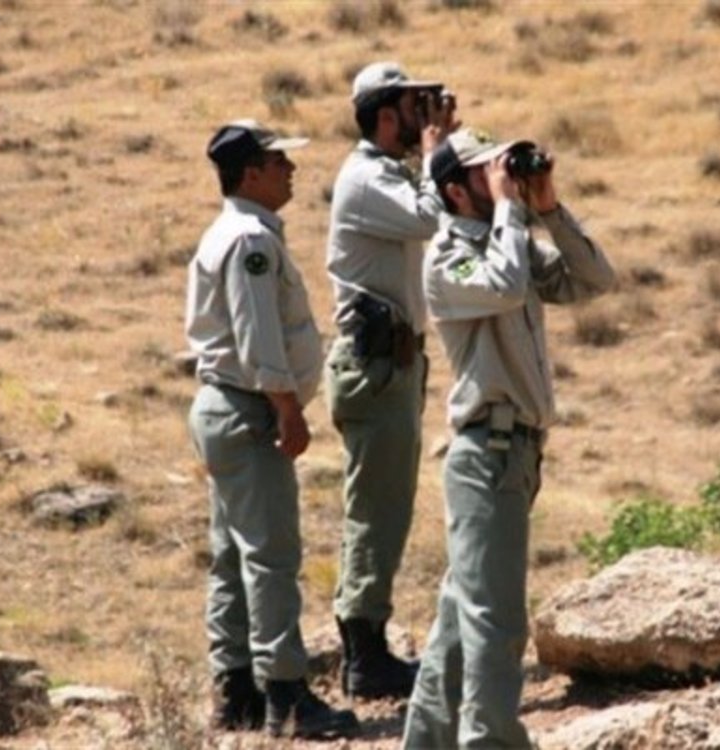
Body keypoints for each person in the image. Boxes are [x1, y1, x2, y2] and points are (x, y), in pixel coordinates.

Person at [402, 129, 616, 748]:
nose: (500, 177)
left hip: (515, 455)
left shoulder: (511, 240)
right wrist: (508, 211)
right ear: (455, 190)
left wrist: (547, 208)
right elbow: (502, 286)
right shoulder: (448, 258)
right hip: (486, 455)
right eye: (483, 171)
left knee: (458, 620)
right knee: (496, 625)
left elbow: (594, 280)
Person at [186, 119, 359, 740]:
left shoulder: (231, 232)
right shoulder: (250, 240)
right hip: (249, 409)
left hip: (225, 406)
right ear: (250, 173)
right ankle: (286, 696)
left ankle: (236, 695)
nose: (290, 169)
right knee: (271, 557)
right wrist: (288, 408)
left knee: (233, 556)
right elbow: (258, 336)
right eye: (278, 160)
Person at [323, 61, 459, 700]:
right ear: (384, 115)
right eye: (412, 106)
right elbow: (433, 217)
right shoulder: (365, 180)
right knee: (377, 510)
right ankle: (364, 655)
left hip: (391, 364)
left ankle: (367, 645)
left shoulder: (386, 175)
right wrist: (437, 151)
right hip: (374, 366)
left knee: (387, 506)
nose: (422, 116)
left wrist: (436, 148)